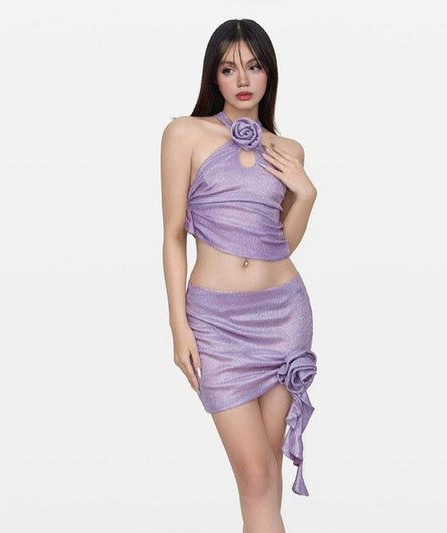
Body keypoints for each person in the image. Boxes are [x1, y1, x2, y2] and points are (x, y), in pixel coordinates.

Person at [160, 18, 318, 533]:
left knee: (266, 478)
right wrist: (179, 326)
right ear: (214, 76)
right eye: (229, 69)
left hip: (284, 315)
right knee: (255, 476)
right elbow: (173, 235)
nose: (243, 79)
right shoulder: (184, 133)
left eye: (254, 67)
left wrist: (306, 195)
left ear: (270, 73)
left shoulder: (288, 150)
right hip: (217, 324)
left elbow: (279, 243)